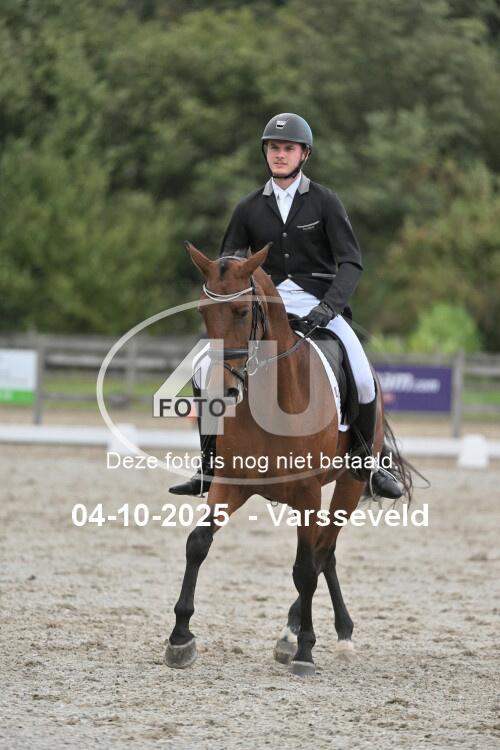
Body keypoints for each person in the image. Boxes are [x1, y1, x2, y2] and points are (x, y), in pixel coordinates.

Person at [170, 113, 401, 499]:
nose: (280, 154)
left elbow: (351, 263)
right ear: (266, 152)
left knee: (362, 375)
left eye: (288, 149)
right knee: (201, 368)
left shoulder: (325, 202)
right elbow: (229, 264)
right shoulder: (248, 207)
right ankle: (209, 463)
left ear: (303, 154)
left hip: (318, 303)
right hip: (261, 307)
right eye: (274, 148)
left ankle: (368, 463)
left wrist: (329, 308)